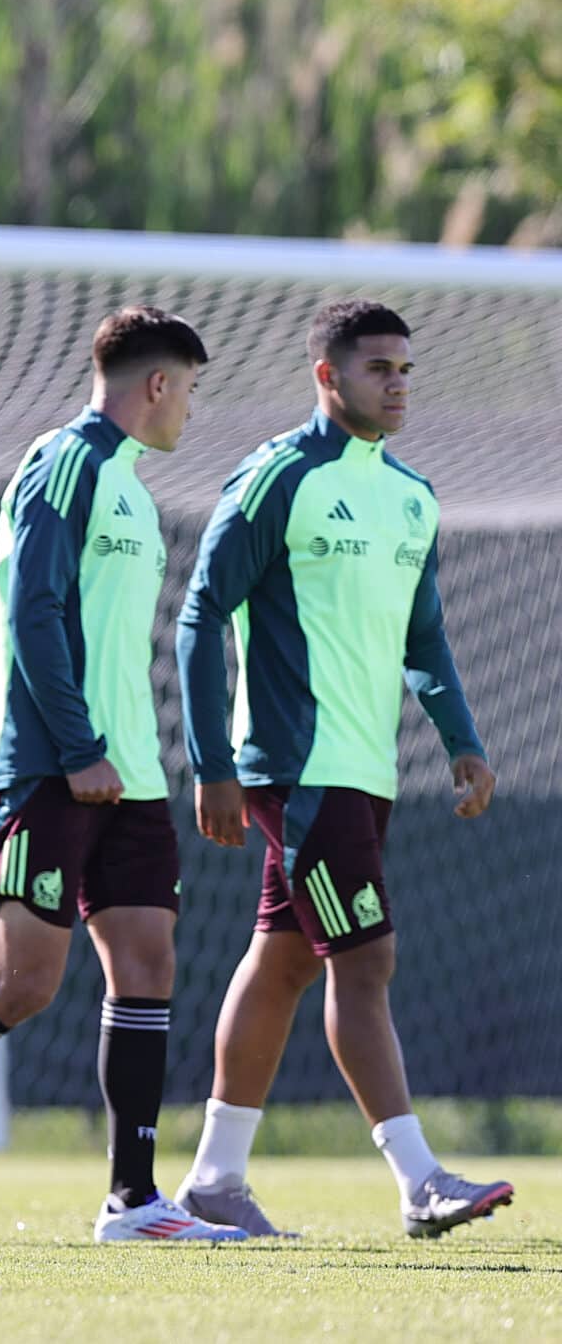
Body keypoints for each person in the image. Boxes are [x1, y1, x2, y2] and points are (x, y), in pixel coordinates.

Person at [0, 307, 242, 1243]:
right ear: (157, 384)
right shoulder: (63, 463)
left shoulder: (135, 490)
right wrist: (76, 748)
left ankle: (132, 1199)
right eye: (188, 391)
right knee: (25, 981)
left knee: (148, 965)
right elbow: (32, 613)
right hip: (49, 767)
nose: (189, 410)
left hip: (130, 779)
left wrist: (123, 757)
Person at [173, 300, 511, 1239]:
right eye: (377, 369)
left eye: (404, 369)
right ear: (327, 376)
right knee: (365, 961)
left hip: (368, 770)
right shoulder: (278, 477)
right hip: (296, 767)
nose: (397, 384)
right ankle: (419, 1181)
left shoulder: (412, 494)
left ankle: (212, 1180)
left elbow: (426, 639)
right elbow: (202, 614)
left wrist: (464, 742)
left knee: (282, 961)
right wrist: (212, 764)